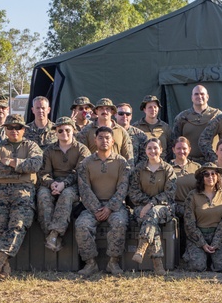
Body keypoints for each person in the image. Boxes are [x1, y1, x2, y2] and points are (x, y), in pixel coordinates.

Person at [0, 114, 44, 280]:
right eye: (10, 128)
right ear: (5, 130)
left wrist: (11, 162)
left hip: (23, 191)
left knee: (18, 223)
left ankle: (0, 261)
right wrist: (21, 168)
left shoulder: (31, 146)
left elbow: (35, 164)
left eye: (17, 127)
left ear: (23, 130)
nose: (14, 131)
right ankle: (4, 267)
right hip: (0, 191)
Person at [74, 126, 131, 278]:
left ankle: (113, 262)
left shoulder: (121, 162)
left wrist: (110, 208)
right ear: (95, 140)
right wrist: (97, 209)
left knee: (119, 223)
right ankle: (90, 263)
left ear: (113, 141)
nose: (104, 141)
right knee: (82, 225)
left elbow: (123, 188)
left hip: (116, 206)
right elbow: (84, 189)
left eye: (107, 138)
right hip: (92, 206)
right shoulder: (86, 163)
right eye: (100, 138)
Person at [36, 116, 91, 254]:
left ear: (73, 130)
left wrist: (64, 184)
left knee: (66, 195)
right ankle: (51, 234)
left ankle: (55, 233)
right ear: (56, 132)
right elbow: (44, 173)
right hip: (53, 183)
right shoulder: (49, 150)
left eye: (67, 130)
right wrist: (52, 184)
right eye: (60, 131)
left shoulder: (82, 150)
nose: (64, 133)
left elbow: (81, 172)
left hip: (74, 184)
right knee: (42, 195)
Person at [127, 138, 176, 275]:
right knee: (151, 220)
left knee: (153, 212)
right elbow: (133, 192)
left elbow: (169, 194)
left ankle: (142, 247)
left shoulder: (168, 169)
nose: (152, 151)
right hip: (141, 208)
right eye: (149, 148)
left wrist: (151, 204)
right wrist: (146, 204)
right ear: (145, 151)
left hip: (165, 208)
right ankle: (158, 264)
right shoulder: (139, 169)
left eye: (155, 148)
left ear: (161, 150)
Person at [182, 163, 222, 272]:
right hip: (198, 236)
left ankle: (213, 258)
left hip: (218, 236)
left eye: (213, 174)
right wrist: (202, 243)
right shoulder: (192, 195)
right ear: (201, 178)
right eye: (206, 174)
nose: (210, 177)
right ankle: (201, 256)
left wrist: (216, 243)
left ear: (218, 177)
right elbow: (189, 223)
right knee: (197, 267)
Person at [173, 84, 222, 162]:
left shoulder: (217, 116)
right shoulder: (182, 117)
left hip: (212, 161)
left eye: (202, 94)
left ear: (207, 96)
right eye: (196, 94)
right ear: (192, 97)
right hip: (189, 162)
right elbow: (175, 140)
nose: (199, 96)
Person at [77, 98, 133, 162]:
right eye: (101, 109)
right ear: (96, 111)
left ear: (112, 112)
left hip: (115, 170)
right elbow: (81, 156)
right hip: (93, 170)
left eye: (107, 109)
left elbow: (128, 156)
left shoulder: (121, 131)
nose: (105, 111)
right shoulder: (86, 131)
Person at [170, 136, 204, 217]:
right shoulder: (167, 168)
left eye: (184, 148)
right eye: (178, 148)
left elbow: (202, 189)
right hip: (173, 207)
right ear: (173, 150)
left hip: (193, 207)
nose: (181, 151)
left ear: (189, 149)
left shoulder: (197, 167)